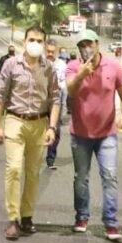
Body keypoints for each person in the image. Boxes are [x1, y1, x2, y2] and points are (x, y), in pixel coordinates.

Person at [0, 26, 60, 240]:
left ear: (45, 44)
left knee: (32, 173)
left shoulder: (48, 68)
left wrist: (52, 127)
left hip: (39, 123)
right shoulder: (11, 64)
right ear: (24, 41)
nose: (35, 44)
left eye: (40, 41)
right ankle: (13, 218)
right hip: (15, 120)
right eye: (32, 39)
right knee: (13, 169)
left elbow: (55, 98)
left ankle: (27, 216)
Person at [65, 29, 122, 240]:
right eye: (82, 45)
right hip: (80, 134)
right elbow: (70, 91)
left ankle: (111, 223)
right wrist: (82, 74)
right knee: (81, 178)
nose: (86, 48)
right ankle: (82, 217)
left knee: (110, 177)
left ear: (97, 44)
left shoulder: (113, 66)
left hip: (107, 134)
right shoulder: (73, 67)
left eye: (89, 43)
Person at [44, 38, 68, 170]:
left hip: (55, 102)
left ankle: (50, 159)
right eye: (48, 51)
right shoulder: (38, 63)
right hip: (40, 101)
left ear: (57, 51)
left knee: (55, 130)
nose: (50, 54)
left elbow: (64, 84)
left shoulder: (62, 65)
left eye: (53, 52)